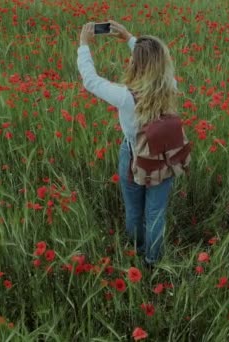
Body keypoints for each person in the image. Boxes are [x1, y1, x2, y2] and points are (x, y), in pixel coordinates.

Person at [77, 20, 179, 267]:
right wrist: (131, 39)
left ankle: (138, 251)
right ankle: (152, 261)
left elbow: (91, 81)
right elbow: (154, 63)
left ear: (136, 63)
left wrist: (84, 45)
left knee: (135, 213)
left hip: (135, 157)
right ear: (162, 64)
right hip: (165, 157)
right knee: (155, 214)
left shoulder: (126, 96)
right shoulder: (170, 86)